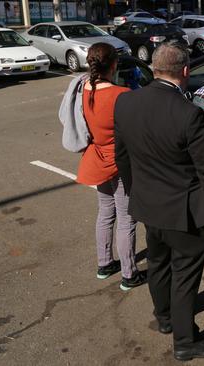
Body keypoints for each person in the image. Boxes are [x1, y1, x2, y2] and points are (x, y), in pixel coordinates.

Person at [114, 41, 204, 362]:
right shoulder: (189, 114)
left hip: (148, 205)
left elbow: (122, 158)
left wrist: (135, 191)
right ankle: (185, 341)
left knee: (158, 263)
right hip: (184, 213)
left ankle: (165, 317)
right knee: (185, 275)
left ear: (154, 69)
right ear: (185, 71)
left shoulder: (126, 103)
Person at [75, 42, 145, 291]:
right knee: (127, 219)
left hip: (96, 158)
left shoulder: (83, 88)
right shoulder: (121, 94)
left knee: (105, 214)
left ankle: (105, 264)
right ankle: (129, 274)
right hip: (120, 161)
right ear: (114, 65)